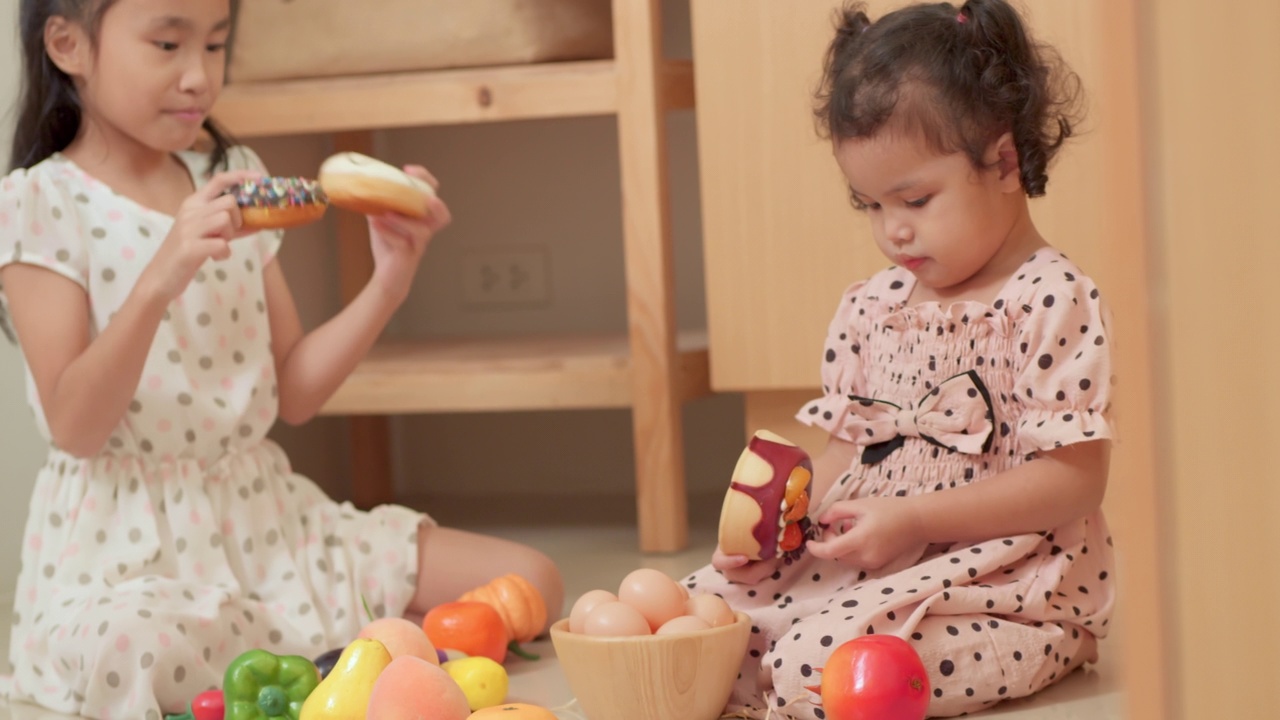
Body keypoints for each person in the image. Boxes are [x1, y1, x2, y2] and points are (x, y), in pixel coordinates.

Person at [0, 1, 564, 717]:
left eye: (216, 44)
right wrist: (159, 278)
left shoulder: (234, 174)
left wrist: (389, 281)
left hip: (266, 520)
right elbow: (75, 426)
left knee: (530, 580)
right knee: (129, 646)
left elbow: (292, 389)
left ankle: (362, 669)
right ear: (68, 44)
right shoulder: (41, 201)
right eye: (168, 44)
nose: (198, 76)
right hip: (126, 548)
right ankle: (346, 663)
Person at [682, 1, 1114, 717]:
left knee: (820, 670)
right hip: (878, 560)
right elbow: (844, 452)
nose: (893, 231)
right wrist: (784, 532)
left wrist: (915, 520)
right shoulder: (873, 304)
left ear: (1003, 161)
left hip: (1002, 580)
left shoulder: (1049, 297)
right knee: (702, 617)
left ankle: (1052, 642)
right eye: (870, 205)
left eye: (913, 199)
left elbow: (1074, 484)